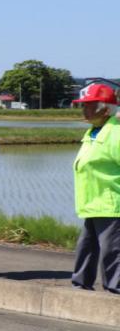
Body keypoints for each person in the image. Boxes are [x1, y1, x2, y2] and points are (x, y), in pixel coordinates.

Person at [69, 83, 120, 293]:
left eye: (90, 105)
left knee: (112, 252)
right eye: (84, 105)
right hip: (92, 203)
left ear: (105, 109)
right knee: (86, 248)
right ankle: (80, 286)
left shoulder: (116, 133)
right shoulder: (93, 132)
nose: (84, 110)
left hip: (111, 204)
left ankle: (115, 292)